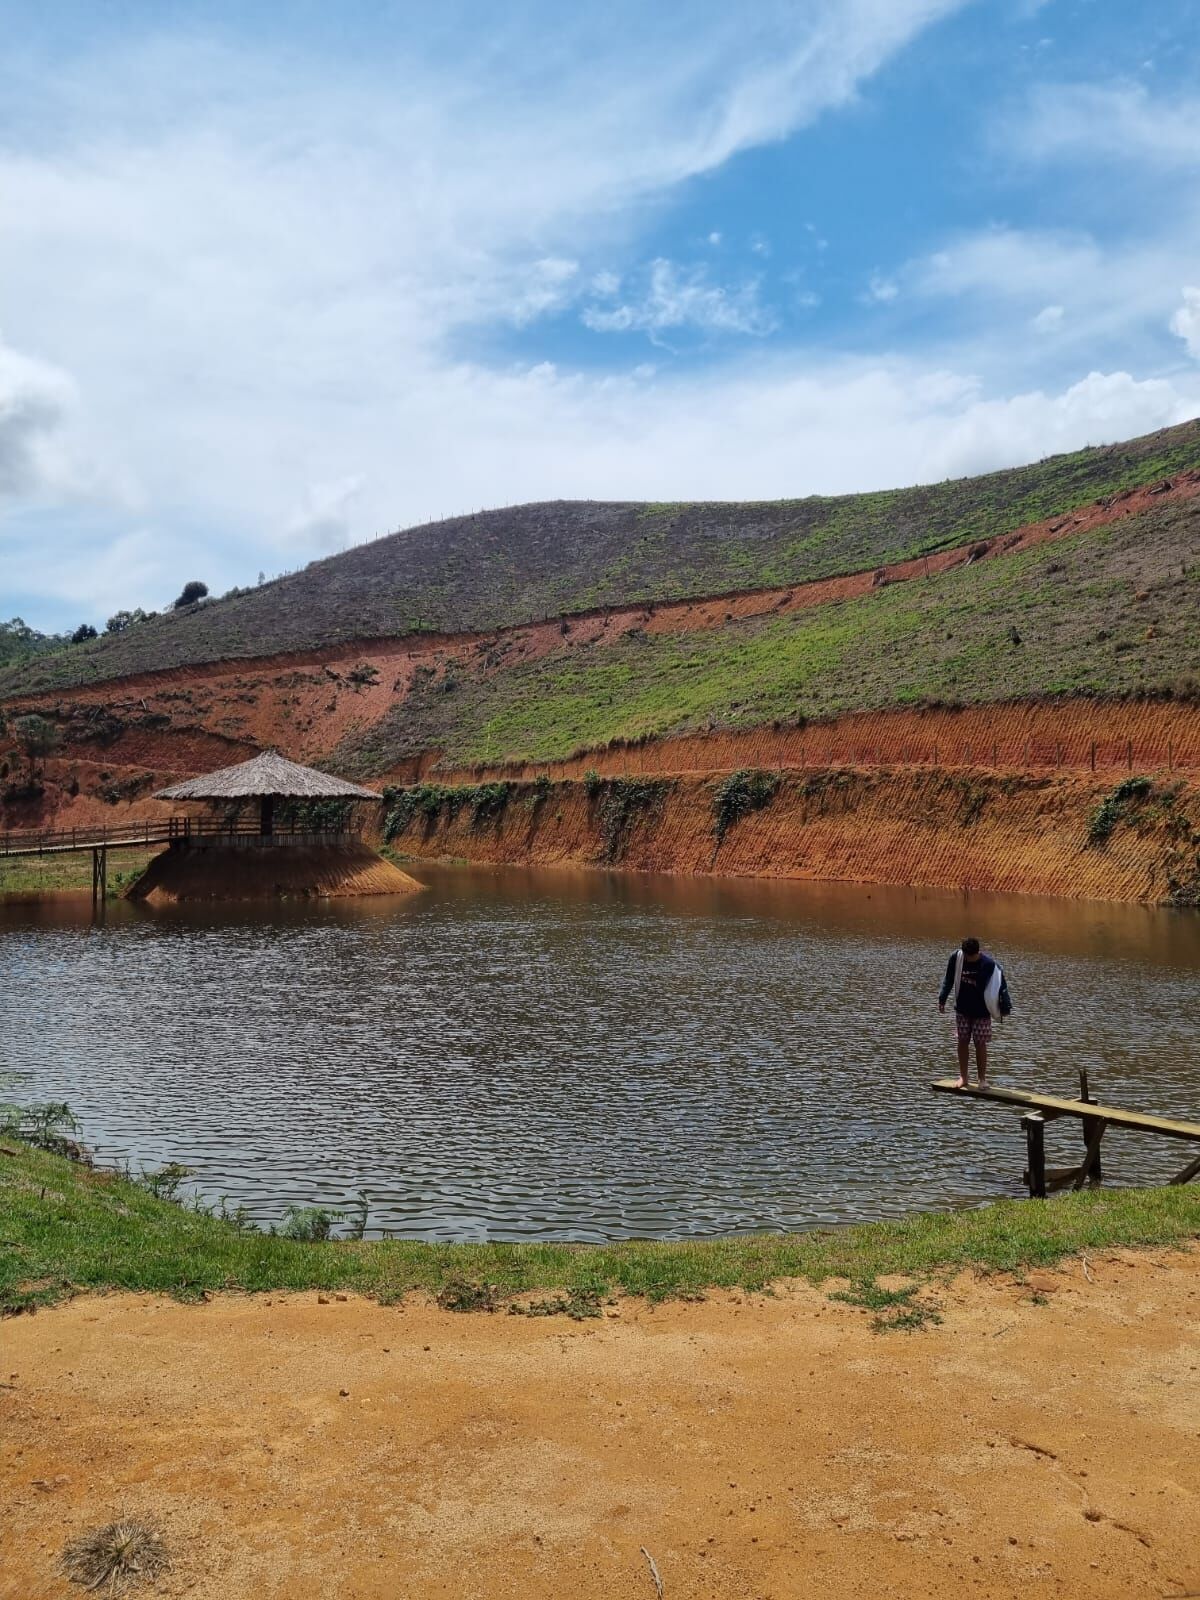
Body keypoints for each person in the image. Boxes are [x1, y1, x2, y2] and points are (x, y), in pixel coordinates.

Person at [938, 936, 1011, 1088]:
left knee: (980, 1043)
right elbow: (948, 979)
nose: (969, 960)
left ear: (979, 952)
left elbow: (1001, 987)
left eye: (971, 957)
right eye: (966, 957)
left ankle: (982, 1079)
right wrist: (942, 998)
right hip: (962, 1009)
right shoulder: (956, 958)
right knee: (962, 1041)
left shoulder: (989, 964)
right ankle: (963, 1077)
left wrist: (1005, 1008)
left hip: (982, 1011)